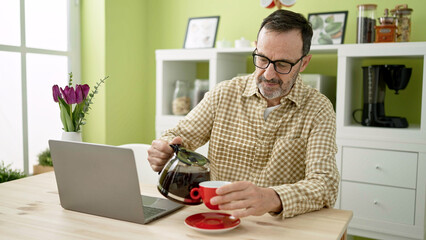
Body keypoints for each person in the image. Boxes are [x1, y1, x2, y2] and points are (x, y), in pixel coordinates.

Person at [148, 9, 339, 219]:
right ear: (256, 49)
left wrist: (272, 198)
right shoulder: (224, 94)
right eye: (262, 59)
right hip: (217, 220)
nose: (268, 74)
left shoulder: (319, 109)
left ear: (303, 63)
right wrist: (164, 149)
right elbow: (178, 135)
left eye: (283, 64)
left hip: (278, 226)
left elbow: (325, 184)